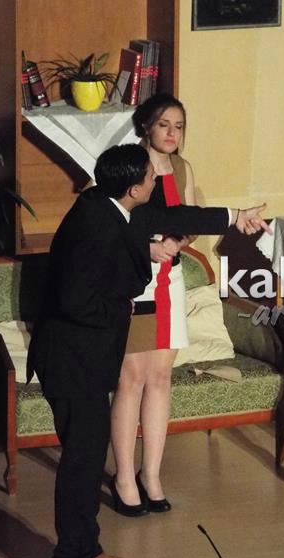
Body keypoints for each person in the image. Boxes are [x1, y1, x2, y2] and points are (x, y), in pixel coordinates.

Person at [28, 144, 268, 558]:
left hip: (85, 357)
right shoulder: (95, 226)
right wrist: (131, 288)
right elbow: (75, 300)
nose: (156, 181)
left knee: (89, 457)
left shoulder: (111, 204)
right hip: (72, 359)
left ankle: (87, 548)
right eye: (150, 177)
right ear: (134, 188)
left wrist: (235, 216)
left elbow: (175, 216)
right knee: (81, 463)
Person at [109, 94, 198, 516]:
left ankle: (152, 475)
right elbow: (108, 223)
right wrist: (146, 248)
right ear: (146, 125)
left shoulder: (183, 168)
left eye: (178, 126)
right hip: (134, 279)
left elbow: (191, 222)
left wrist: (177, 243)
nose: (172, 133)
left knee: (160, 377)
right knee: (132, 378)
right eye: (164, 124)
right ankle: (124, 476)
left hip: (170, 279)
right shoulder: (127, 164)